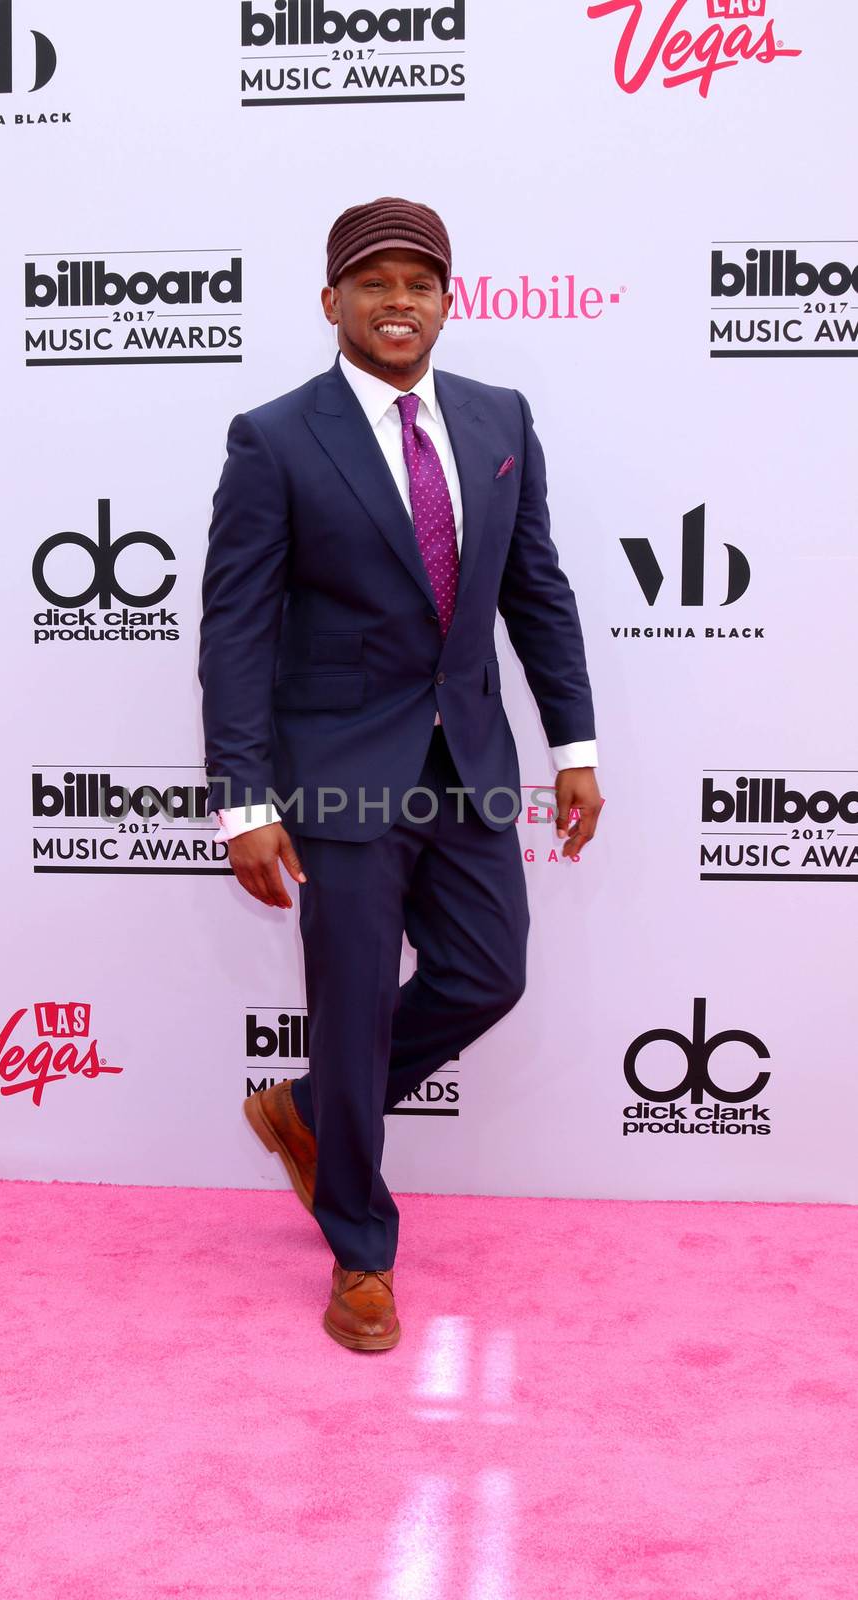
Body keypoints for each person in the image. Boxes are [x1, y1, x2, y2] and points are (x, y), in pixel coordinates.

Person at [198, 197, 602, 1352]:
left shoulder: (496, 419)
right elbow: (233, 629)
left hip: (466, 761)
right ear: (330, 302)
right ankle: (361, 1254)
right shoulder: (273, 437)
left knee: (487, 973)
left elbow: (536, 592)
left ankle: (310, 1110)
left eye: (416, 282)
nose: (395, 301)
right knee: (354, 1003)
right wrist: (243, 798)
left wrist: (573, 746)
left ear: (445, 298)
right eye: (370, 282)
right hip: (334, 774)